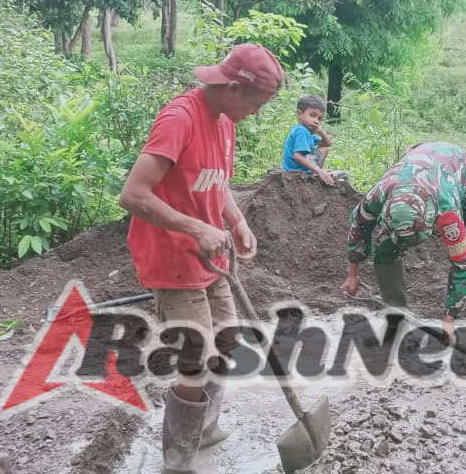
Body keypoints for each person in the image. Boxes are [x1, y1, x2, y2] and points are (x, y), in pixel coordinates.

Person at [118, 43, 283, 474]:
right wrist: (197, 228)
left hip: (210, 258)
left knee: (226, 341)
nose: (259, 113)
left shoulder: (224, 122)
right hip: (172, 257)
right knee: (196, 349)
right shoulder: (180, 118)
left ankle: (203, 425)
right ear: (231, 87)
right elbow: (133, 195)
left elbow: (215, 182)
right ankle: (178, 457)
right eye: (258, 103)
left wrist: (237, 221)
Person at [339, 141, 466, 343]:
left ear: (429, 221)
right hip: (419, 166)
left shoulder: (447, 213)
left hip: (462, 173)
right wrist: (352, 275)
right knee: (385, 249)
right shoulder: (378, 195)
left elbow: (463, 265)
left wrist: (450, 319)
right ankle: (396, 321)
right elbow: (359, 228)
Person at [281, 95, 345, 185]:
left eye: (319, 118)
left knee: (324, 149)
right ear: (299, 114)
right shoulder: (301, 131)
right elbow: (297, 156)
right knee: (341, 175)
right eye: (312, 115)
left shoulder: (308, 132)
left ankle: (317, 173)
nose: (316, 121)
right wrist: (319, 170)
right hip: (295, 172)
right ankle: (318, 173)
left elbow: (327, 144)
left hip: (299, 169)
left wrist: (320, 130)